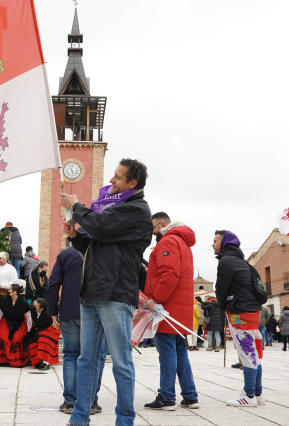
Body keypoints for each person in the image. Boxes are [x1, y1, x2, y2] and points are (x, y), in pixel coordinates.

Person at [59, 158, 152, 426]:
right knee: (86, 360)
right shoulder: (117, 207)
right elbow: (97, 243)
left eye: (118, 177)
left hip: (115, 294)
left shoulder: (135, 209)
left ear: (132, 184)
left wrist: (76, 206)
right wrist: (77, 237)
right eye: (113, 175)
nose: (112, 180)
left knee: (121, 362)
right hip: (92, 292)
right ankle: (79, 418)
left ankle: (125, 420)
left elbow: (99, 225)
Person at [142, 212, 199, 410]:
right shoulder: (183, 242)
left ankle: (167, 397)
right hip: (180, 309)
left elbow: (169, 274)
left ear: (162, 224)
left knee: (166, 353)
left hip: (167, 308)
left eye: (153, 228)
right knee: (180, 352)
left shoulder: (167, 242)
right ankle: (190, 396)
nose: (151, 233)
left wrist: (155, 299)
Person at [47, 245, 107, 415]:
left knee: (71, 355)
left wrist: (52, 312)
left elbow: (53, 284)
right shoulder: (105, 249)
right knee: (96, 356)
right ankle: (91, 401)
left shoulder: (66, 254)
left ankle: (70, 401)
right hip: (97, 311)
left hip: (70, 311)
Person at [214, 230, 264, 406]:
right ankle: (257, 393)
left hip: (239, 313)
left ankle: (249, 395)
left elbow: (220, 289)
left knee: (246, 352)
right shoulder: (242, 262)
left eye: (215, 241)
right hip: (252, 311)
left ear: (224, 244)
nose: (213, 244)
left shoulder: (226, 262)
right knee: (254, 352)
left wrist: (222, 307)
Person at [0, 280, 30, 367]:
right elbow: (1, 313)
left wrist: (29, 328)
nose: (8, 291)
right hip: (7, 320)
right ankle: (3, 360)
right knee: (3, 336)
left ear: (15, 292)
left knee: (17, 338)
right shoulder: (6, 300)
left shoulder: (23, 302)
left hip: (19, 322)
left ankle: (17, 360)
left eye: (9, 289)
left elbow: (28, 316)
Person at [25, 298, 59, 370]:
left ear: (41, 309)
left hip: (49, 329)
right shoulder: (32, 308)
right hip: (38, 328)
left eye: (35, 307)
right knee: (31, 343)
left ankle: (45, 363)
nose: (33, 307)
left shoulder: (48, 314)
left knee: (43, 340)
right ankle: (37, 362)